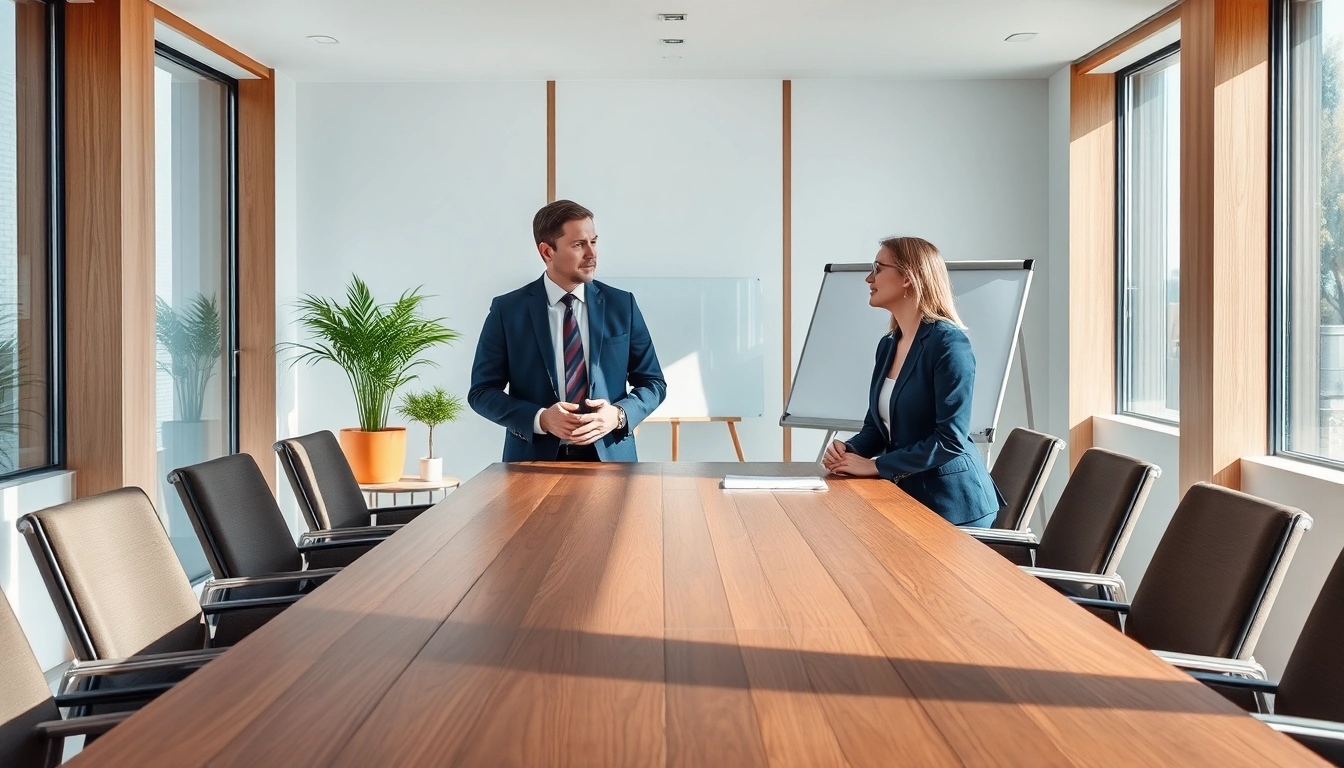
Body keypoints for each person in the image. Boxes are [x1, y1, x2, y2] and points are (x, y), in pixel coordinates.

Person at [821, 236, 1003, 527]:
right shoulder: (889, 345)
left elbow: (950, 441)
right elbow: (877, 428)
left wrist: (875, 465)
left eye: (878, 268)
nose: (869, 278)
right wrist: (850, 451)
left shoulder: (949, 345)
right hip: (907, 497)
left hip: (953, 506)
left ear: (908, 278)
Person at [469, 200, 666, 462]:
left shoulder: (622, 305)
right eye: (578, 245)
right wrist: (540, 419)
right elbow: (481, 392)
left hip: (612, 462)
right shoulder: (508, 310)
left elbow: (653, 383)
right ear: (547, 252)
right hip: (532, 463)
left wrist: (618, 415)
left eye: (593, 242)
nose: (591, 254)